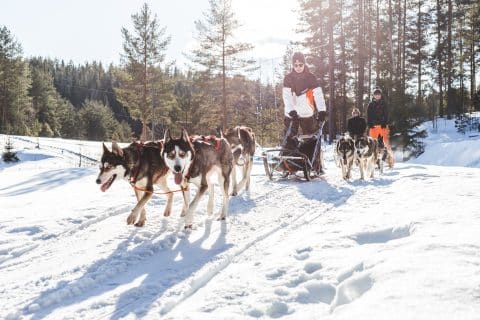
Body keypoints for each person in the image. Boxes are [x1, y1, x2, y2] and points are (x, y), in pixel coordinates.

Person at [282, 52, 327, 137]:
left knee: (310, 141)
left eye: (300, 65)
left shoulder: (311, 78)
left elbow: (318, 95)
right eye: (295, 65)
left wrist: (322, 110)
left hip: (306, 113)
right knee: (289, 141)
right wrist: (291, 110)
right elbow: (286, 96)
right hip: (291, 115)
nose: (298, 67)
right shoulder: (288, 78)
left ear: (304, 64)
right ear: (293, 65)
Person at [367, 87, 394, 160]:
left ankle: (391, 158)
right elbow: (368, 115)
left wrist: (385, 123)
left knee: (385, 142)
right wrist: (369, 124)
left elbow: (386, 114)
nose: (377, 96)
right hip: (373, 126)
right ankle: (374, 159)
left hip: (383, 126)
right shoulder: (370, 104)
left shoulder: (384, 104)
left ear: (381, 95)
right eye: (376, 94)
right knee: (372, 143)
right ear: (373, 95)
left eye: (378, 94)